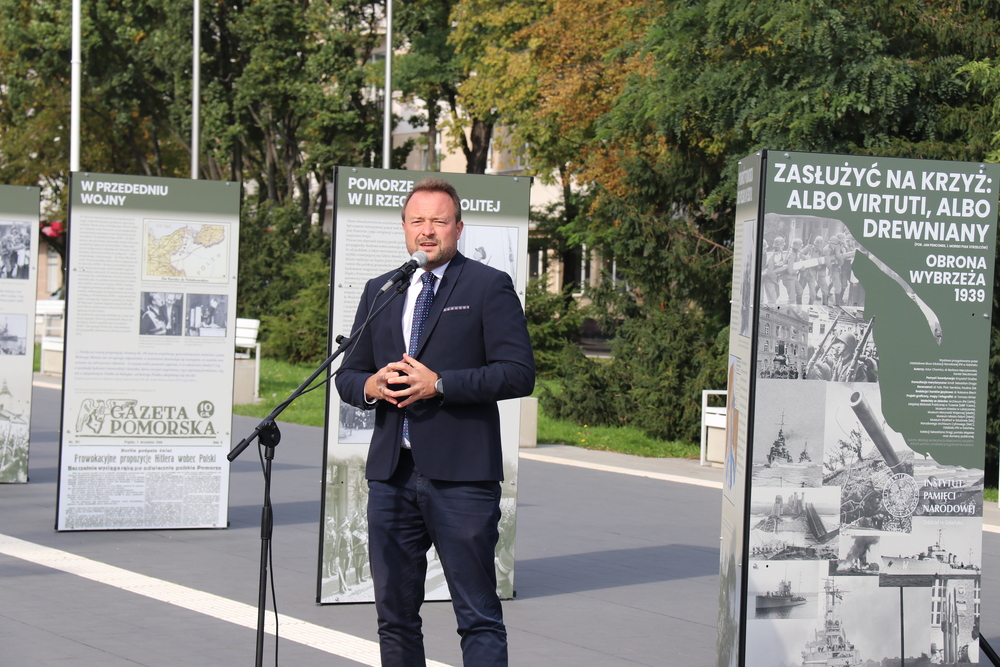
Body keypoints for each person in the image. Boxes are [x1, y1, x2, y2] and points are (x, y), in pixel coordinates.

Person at [335, 177, 535, 667]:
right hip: (392, 476)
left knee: (478, 615)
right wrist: (371, 386)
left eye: (439, 221)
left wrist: (440, 384)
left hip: (463, 479)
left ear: (458, 228)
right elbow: (348, 375)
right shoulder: (381, 289)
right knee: (394, 616)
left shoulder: (488, 286)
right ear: (404, 228)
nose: (428, 231)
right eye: (417, 221)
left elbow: (518, 373)